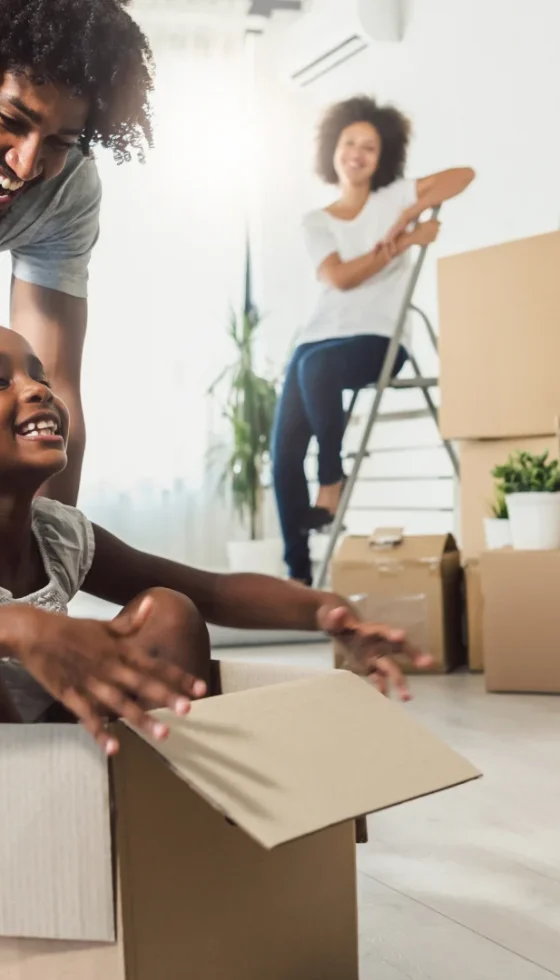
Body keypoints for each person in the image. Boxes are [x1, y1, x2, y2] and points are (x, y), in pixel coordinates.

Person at [0, 327, 433, 752]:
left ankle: (150, 801)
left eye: (40, 377)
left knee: (168, 611)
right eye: (0, 381)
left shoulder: (59, 535)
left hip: (53, 748)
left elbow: (216, 593)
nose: (37, 390)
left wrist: (324, 610)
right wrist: (22, 625)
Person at [272, 96, 475, 585]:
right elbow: (339, 278)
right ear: (333, 150)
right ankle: (298, 577)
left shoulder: (394, 196)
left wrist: (412, 212)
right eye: (349, 143)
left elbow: (462, 175)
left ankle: (331, 478)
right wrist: (403, 243)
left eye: (370, 146)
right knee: (282, 456)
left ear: (383, 157)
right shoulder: (316, 220)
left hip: (378, 341)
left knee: (315, 368)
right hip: (318, 341)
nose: (358, 153)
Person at [0, 0, 153, 507]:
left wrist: (46, 560)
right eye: (10, 120)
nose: (26, 165)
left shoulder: (66, 189)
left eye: (59, 141)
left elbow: (54, 387)